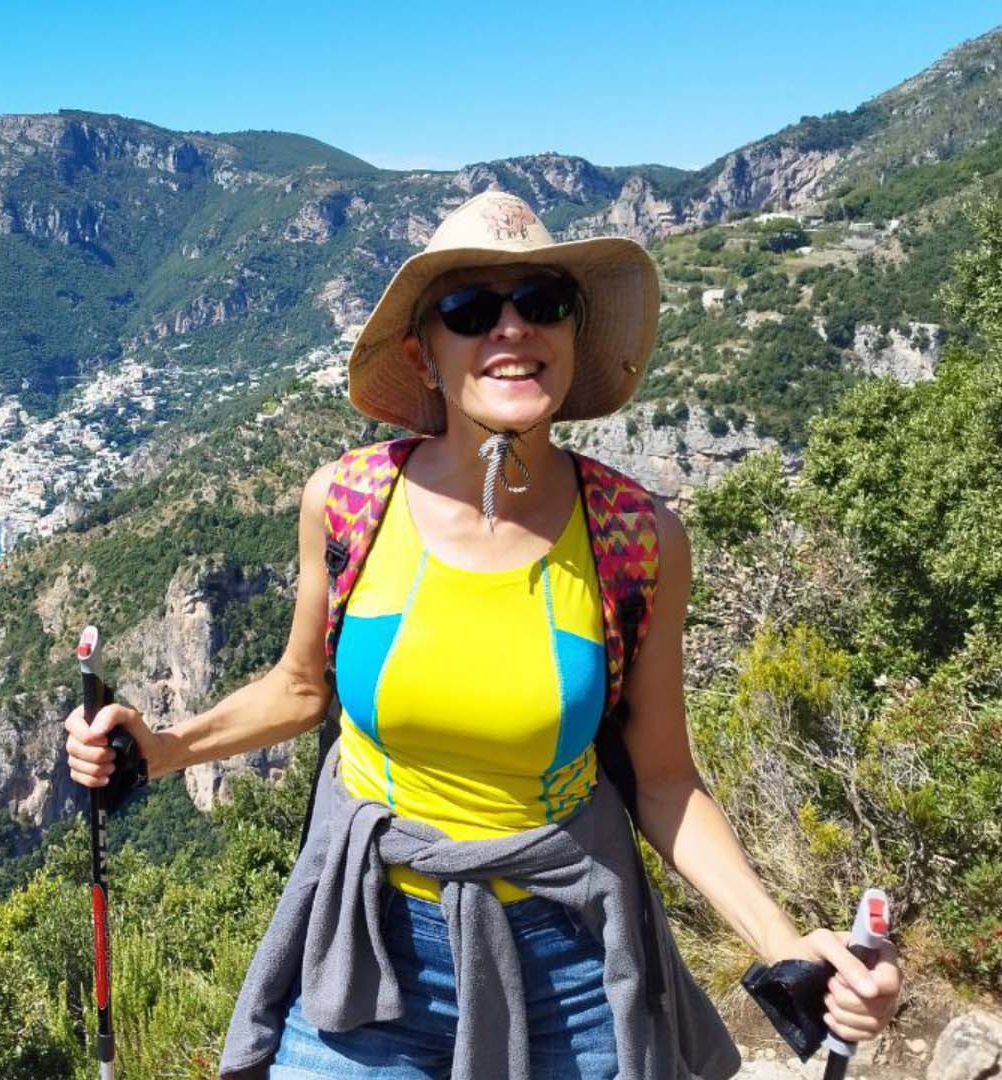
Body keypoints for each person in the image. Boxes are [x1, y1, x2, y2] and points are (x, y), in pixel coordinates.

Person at [62, 189, 902, 1080]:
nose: (512, 328)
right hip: (368, 947)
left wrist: (788, 945)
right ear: (426, 356)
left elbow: (662, 782)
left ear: (573, 339)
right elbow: (303, 689)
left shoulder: (636, 535)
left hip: (565, 955)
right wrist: (160, 748)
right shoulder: (349, 501)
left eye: (542, 303)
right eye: (470, 310)